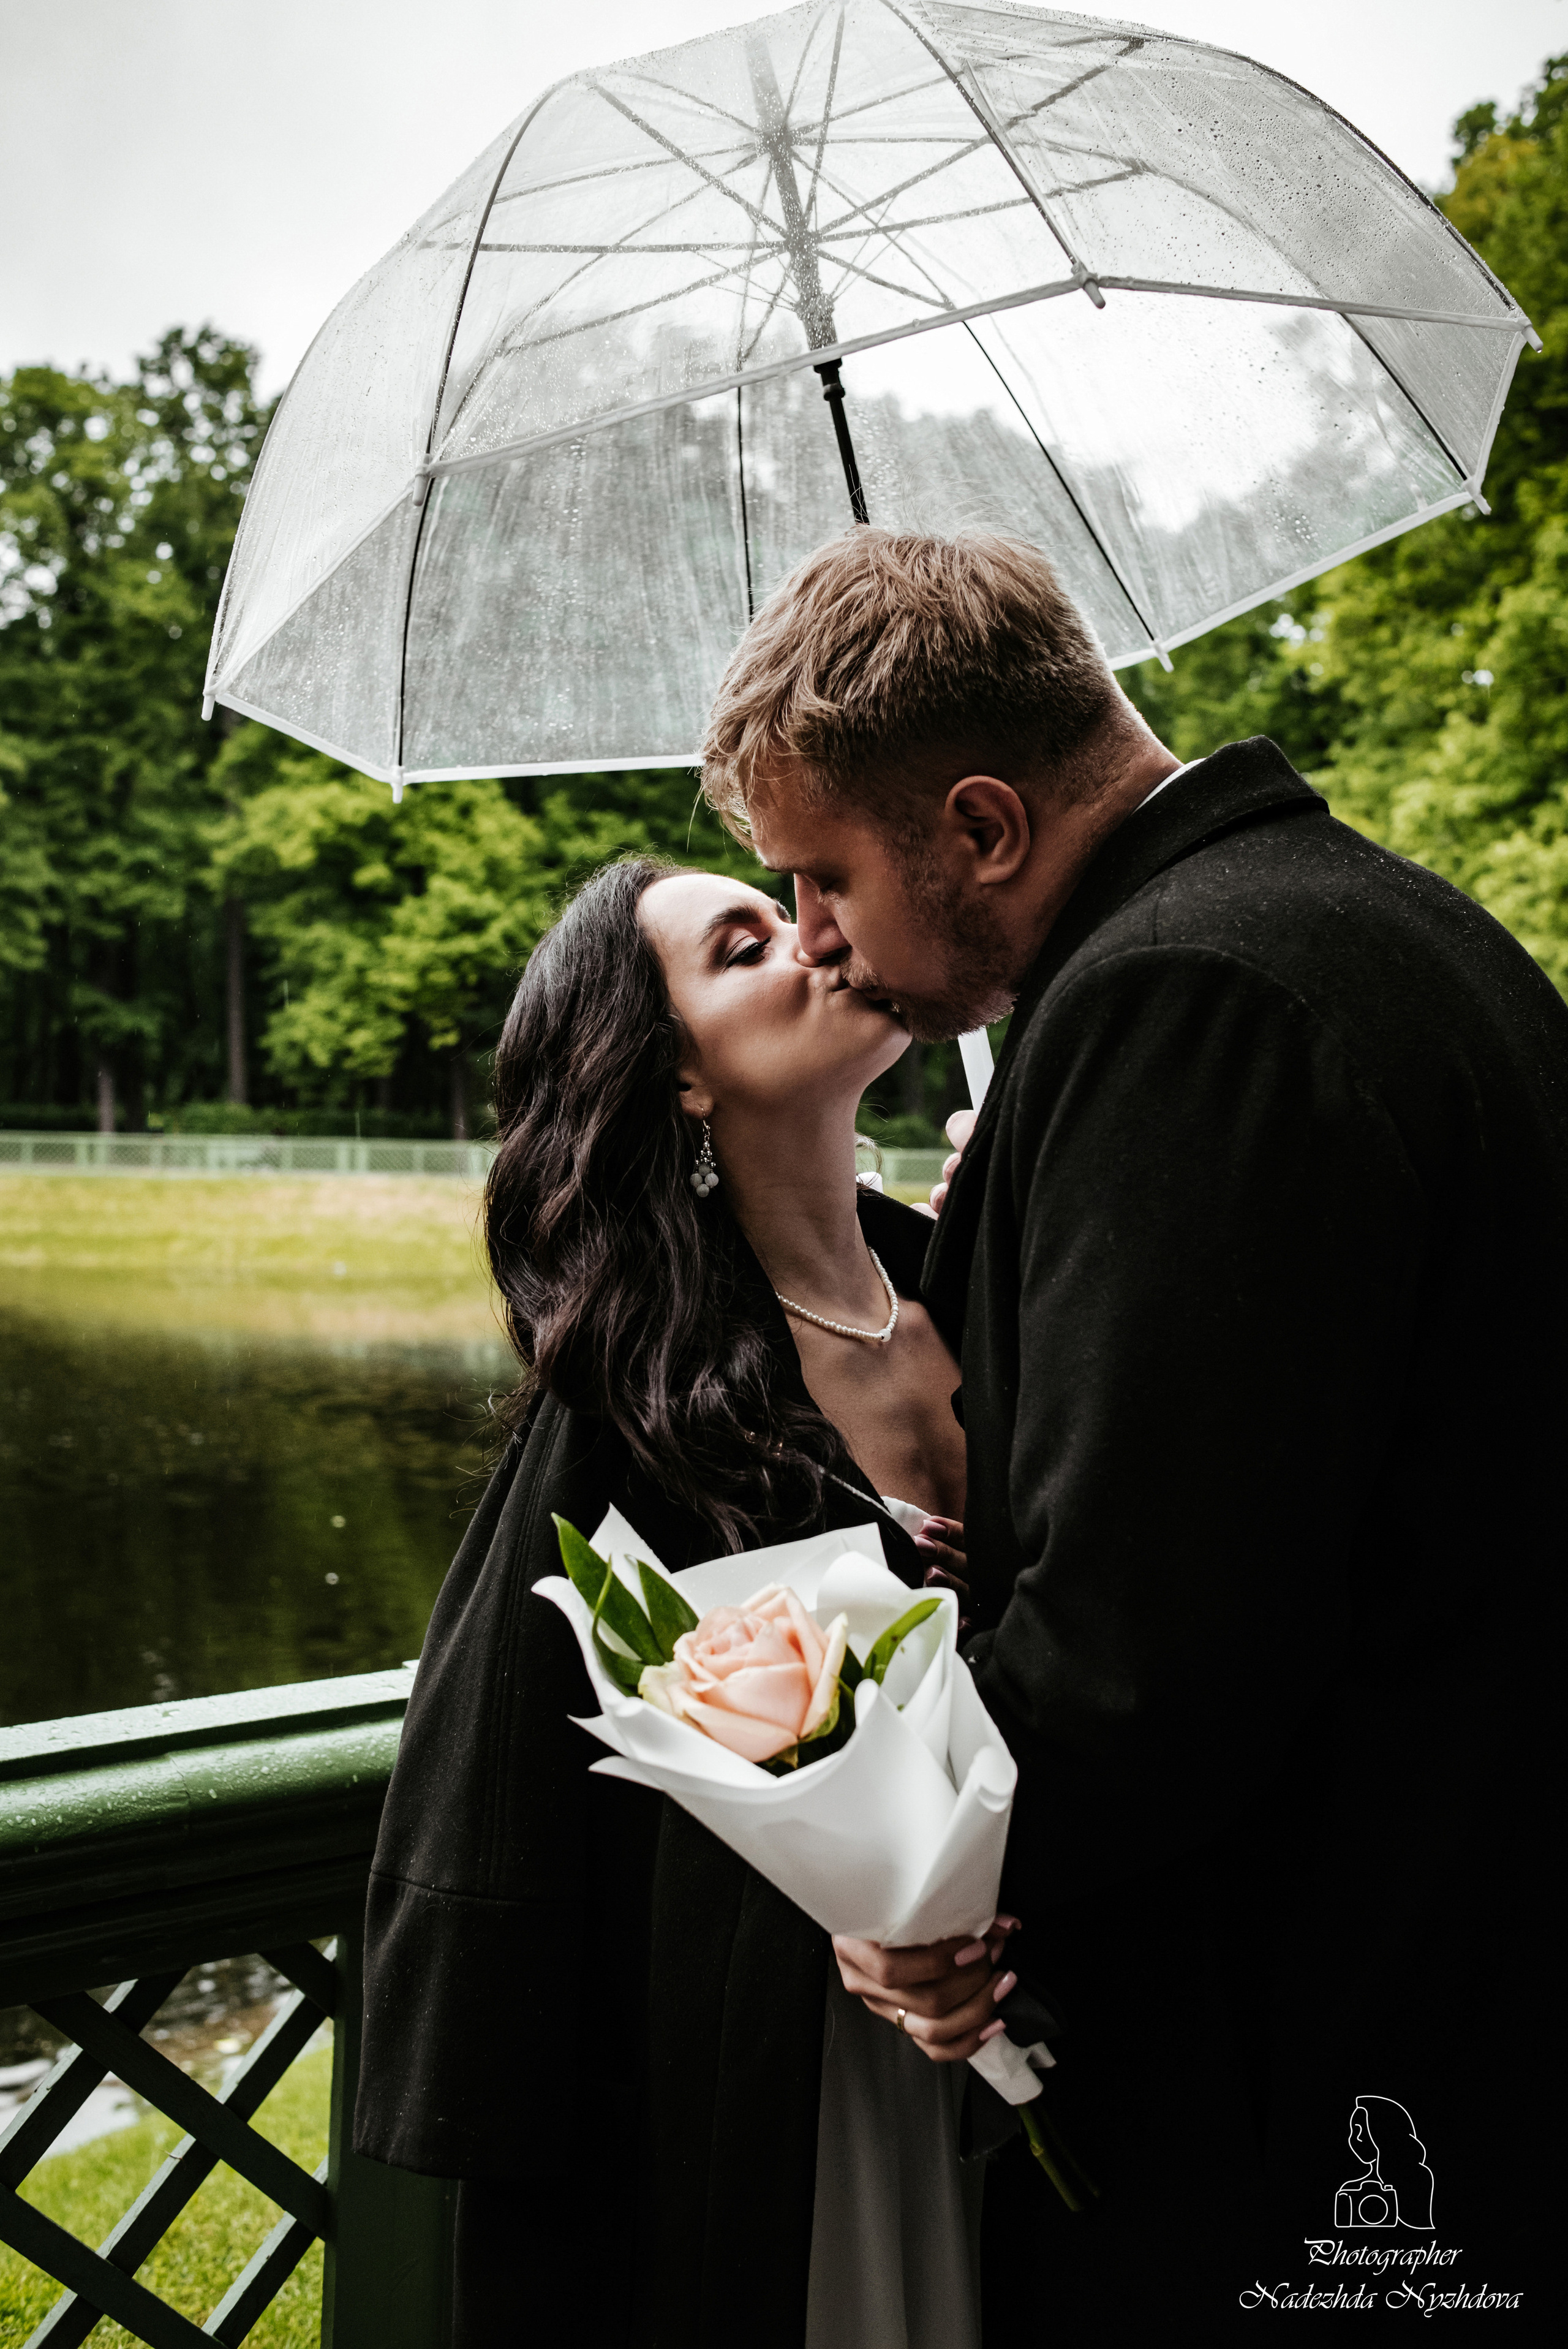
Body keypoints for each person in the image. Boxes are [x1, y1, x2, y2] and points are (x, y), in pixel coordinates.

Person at [700, 528, 1565, 2331]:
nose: (814, 937)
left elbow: (1146, 1657)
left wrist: (912, 1876)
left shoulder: (1187, 1002)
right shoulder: (1398, 932)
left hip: (1320, 2071)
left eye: (823, 872)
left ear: (988, 825)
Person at [355, 856, 1015, 2349]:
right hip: (807, 2082)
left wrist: (1031, 1215)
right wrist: (853, 1920)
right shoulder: (641, 1397)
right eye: (746, 943)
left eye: (802, 901)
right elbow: (542, 1792)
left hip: (1061, 1986)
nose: (816, 933)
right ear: (678, 1079)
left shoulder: (973, 1278)